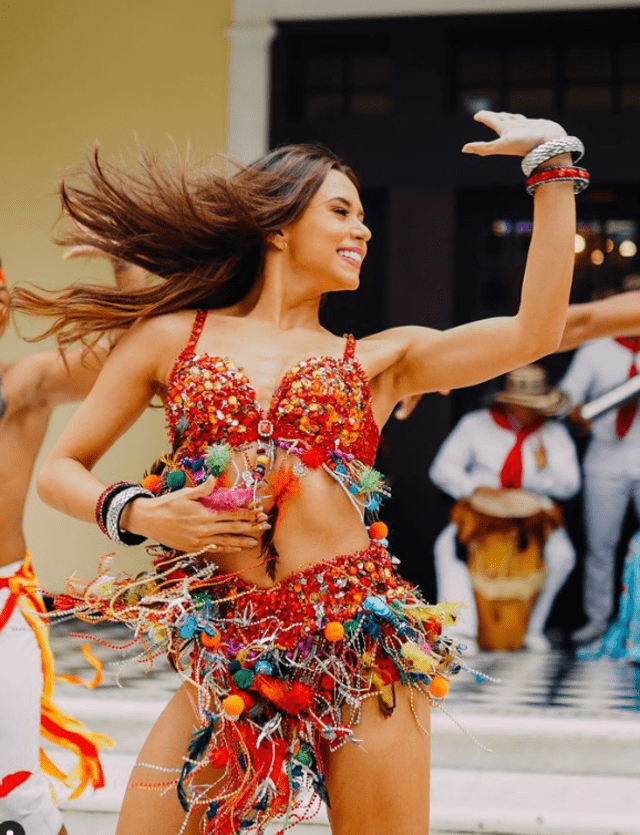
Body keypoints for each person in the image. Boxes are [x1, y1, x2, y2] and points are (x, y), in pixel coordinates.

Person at [12, 111, 580, 835]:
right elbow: (62, 468)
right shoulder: (169, 337)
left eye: (364, 217)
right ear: (277, 227)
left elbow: (537, 331)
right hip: (229, 654)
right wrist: (143, 511)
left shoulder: (379, 358)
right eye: (341, 211)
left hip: (363, 647)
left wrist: (553, 166)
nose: (363, 231)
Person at [0, 250, 147, 835]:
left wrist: (124, 262)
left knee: (17, 797)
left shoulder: (23, 385)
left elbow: (138, 352)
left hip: (3, 603)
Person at [429, 364, 580, 654]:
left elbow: (570, 485)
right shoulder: (474, 425)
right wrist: (475, 490)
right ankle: (461, 630)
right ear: (508, 401)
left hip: (532, 517)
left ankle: (531, 628)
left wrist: (544, 470)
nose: (528, 412)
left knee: (563, 556)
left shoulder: (554, 434)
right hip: (482, 512)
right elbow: (441, 469)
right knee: (446, 547)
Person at [560, 283, 640, 646]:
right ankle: (597, 620)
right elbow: (566, 400)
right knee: (600, 545)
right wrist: (578, 414)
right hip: (605, 456)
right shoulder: (596, 350)